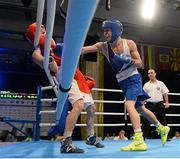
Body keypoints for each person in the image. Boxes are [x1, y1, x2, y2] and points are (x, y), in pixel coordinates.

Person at [81, 19, 170, 151]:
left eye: (108, 30)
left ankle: (139, 139)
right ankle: (162, 127)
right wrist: (65, 49)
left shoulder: (129, 43)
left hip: (133, 78)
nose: (105, 34)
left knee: (129, 105)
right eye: (104, 31)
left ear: (116, 30)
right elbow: (84, 49)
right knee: (140, 109)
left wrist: (128, 61)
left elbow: (140, 63)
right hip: (122, 82)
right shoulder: (104, 46)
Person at [26, 23, 104, 153]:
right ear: (34, 35)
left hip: (75, 73)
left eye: (44, 27)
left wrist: (96, 47)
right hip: (63, 73)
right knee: (78, 105)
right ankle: (66, 142)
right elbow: (49, 66)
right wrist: (50, 60)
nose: (44, 29)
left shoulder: (54, 45)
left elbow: (76, 51)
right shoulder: (37, 52)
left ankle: (90, 136)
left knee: (91, 108)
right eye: (40, 29)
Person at [142, 69, 170, 139]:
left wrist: (166, 102)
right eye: (149, 73)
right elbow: (144, 96)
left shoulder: (161, 83)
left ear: (155, 74)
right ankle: (143, 137)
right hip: (149, 104)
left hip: (159, 104)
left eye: (151, 73)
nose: (150, 74)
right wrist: (142, 104)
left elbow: (165, 93)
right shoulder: (146, 85)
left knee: (163, 120)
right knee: (145, 121)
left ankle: (166, 136)